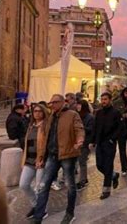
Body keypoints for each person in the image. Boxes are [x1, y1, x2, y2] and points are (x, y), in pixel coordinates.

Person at [33, 94, 84, 224]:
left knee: (70, 185)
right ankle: (38, 215)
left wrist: (80, 140)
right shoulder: (51, 117)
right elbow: (46, 137)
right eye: (51, 103)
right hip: (52, 155)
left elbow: (79, 129)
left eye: (55, 102)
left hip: (67, 154)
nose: (52, 105)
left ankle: (70, 213)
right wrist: (41, 157)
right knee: (44, 185)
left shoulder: (72, 114)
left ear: (62, 102)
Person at [90, 93, 122, 199]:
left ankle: (106, 190)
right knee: (99, 165)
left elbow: (120, 128)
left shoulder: (116, 113)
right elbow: (95, 127)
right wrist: (92, 141)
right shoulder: (98, 113)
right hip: (100, 142)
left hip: (109, 143)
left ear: (110, 100)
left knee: (108, 165)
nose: (103, 101)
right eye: (102, 99)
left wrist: (112, 139)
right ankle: (113, 175)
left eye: (105, 99)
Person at [19, 104, 48, 219]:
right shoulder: (31, 126)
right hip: (29, 160)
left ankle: (42, 210)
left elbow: (47, 144)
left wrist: (42, 158)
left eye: (40, 111)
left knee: (38, 187)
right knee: (23, 184)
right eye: (35, 111)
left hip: (40, 161)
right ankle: (36, 205)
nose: (37, 113)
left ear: (44, 112)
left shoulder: (46, 126)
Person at [76, 100, 94, 191]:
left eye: (79, 105)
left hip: (85, 142)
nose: (78, 107)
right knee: (79, 162)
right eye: (77, 105)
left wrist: (81, 127)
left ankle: (82, 181)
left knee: (82, 162)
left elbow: (91, 130)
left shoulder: (89, 117)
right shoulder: (77, 115)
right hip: (77, 141)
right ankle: (84, 179)